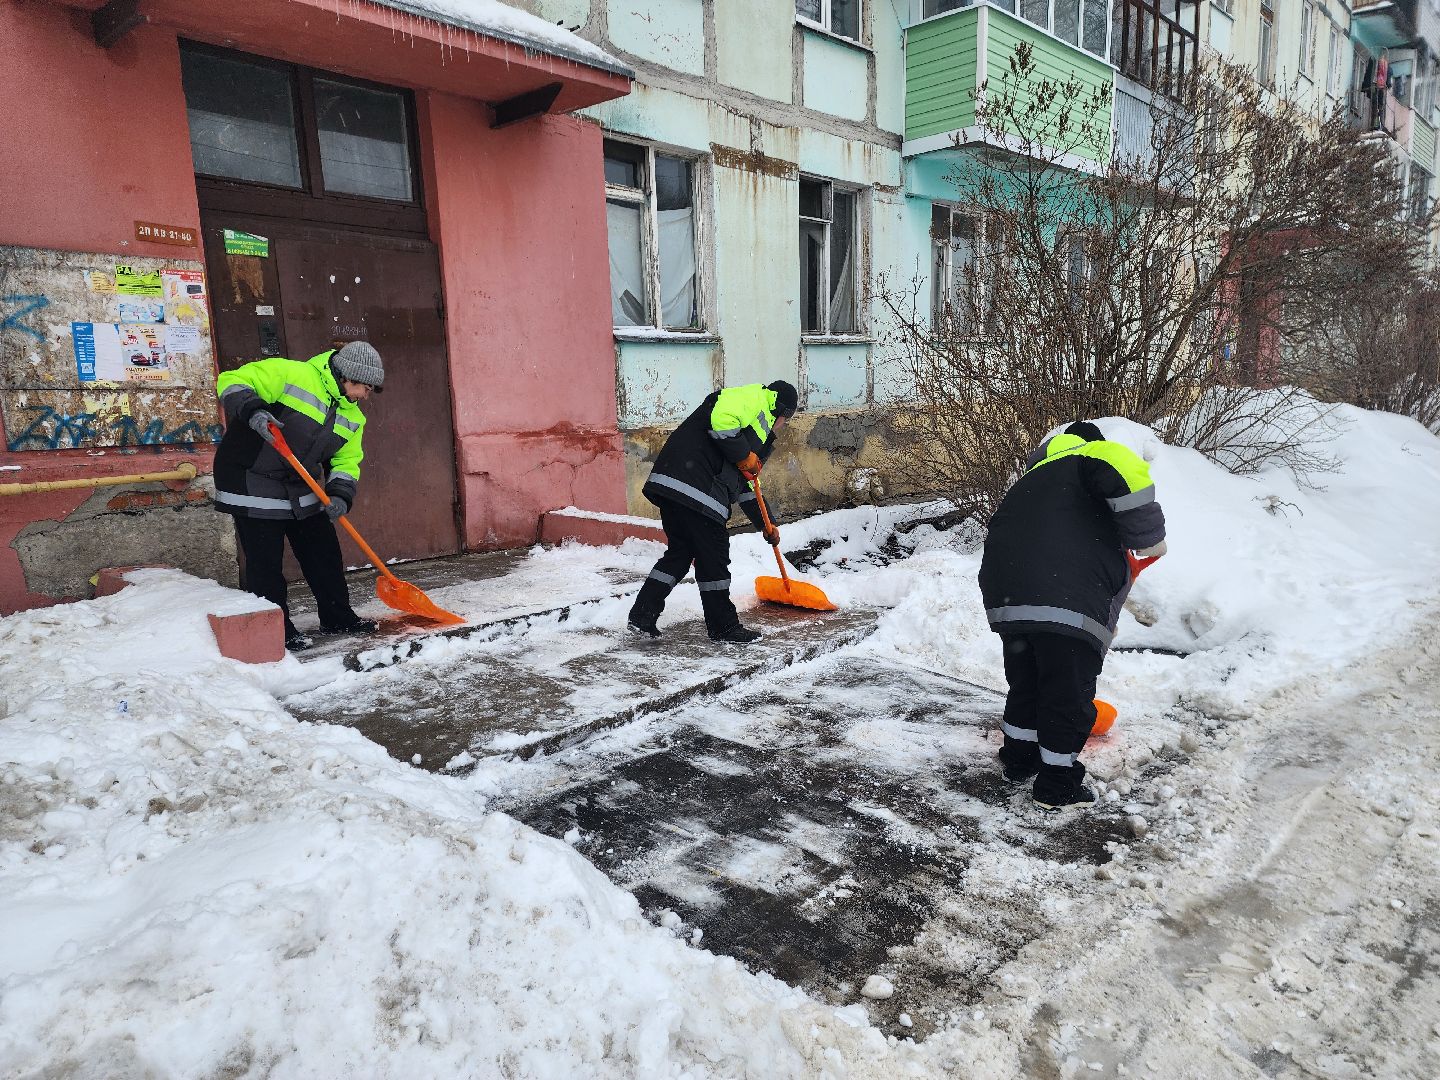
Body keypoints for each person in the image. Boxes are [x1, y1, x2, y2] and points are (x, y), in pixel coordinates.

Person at [978, 421, 1167, 811]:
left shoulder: (1034, 477)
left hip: (1008, 595)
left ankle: (1018, 760)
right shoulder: (1094, 455)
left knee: (1027, 683)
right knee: (1067, 694)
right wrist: (1149, 540)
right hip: (1064, 595)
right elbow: (1125, 477)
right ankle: (1056, 785)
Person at [213, 341, 386, 652]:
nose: (365, 395)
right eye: (363, 387)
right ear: (345, 376)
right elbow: (231, 380)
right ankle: (277, 628)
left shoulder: (353, 417)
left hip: (299, 482)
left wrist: (340, 494)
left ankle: (337, 616)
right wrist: (252, 410)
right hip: (252, 477)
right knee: (265, 561)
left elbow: (346, 461)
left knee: (324, 551)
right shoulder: (292, 374)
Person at [627, 381, 800, 645]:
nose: (782, 426)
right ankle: (724, 627)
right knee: (714, 559)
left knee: (679, 556)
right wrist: (744, 456)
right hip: (697, 488)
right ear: (782, 412)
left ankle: (642, 616)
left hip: (674, 485)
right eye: (785, 420)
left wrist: (767, 524)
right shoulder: (758, 399)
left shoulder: (756, 430)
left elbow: (744, 483)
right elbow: (722, 420)